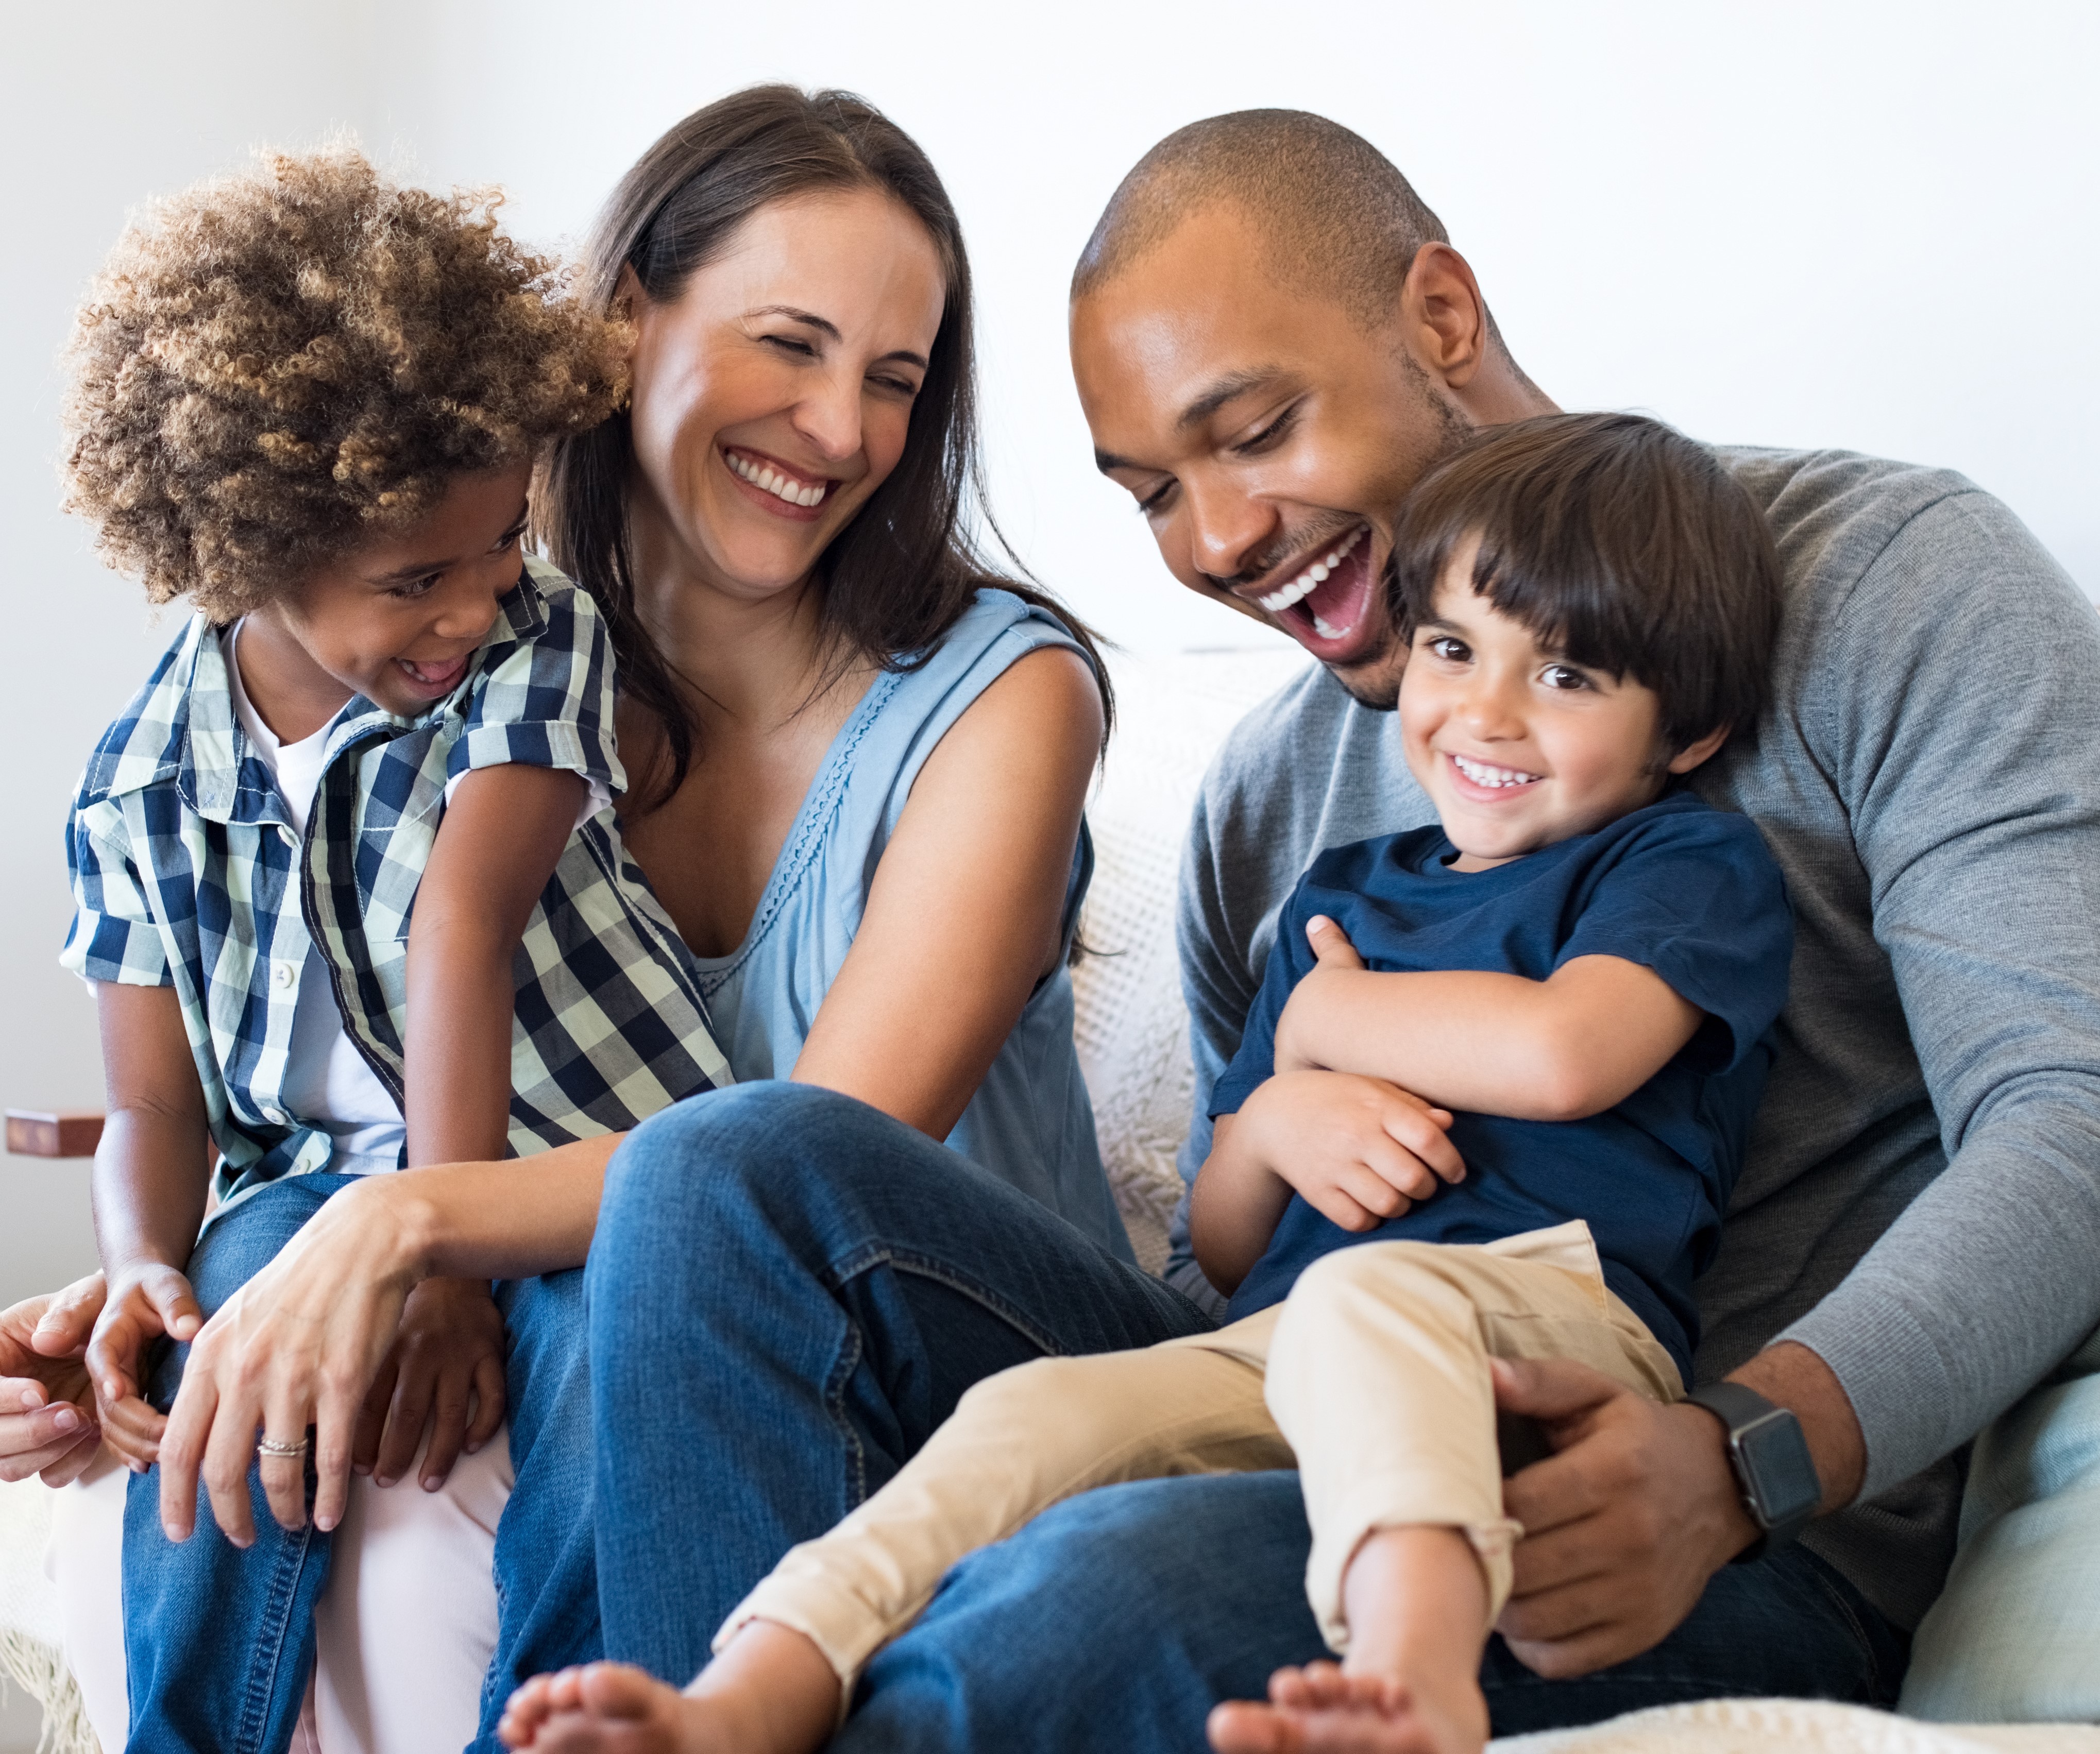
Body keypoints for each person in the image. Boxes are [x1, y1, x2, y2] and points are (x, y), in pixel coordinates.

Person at [501, 106, 2096, 1752]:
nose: (1214, 543)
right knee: (723, 1171)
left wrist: (1742, 1459)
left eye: (1253, 430)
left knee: (1089, 1593)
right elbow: (1231, 1267)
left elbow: (2070, 1120)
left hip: (1680, 1517)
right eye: (1149, 498)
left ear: (1440, 319)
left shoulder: (1890, 587)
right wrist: (1278, 1116)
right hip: (1309, 1397)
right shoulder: (1273, 799)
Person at [1, 86, 1144, 1753]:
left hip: (911, 1363)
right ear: (621, 327)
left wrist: (404, 1223)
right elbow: (321, 1036)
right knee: (297, 1443)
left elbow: (799, 1162)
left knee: (547, 1363)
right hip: (607, 1308)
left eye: (894, 380)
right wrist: (156, 1294)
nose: (839, 428)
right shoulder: (447, 636)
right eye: (790, 346)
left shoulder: (998, 702)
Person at [498, 410, 1796, 1754]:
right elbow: (1227, 1243)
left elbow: (1564, 1053)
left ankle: (1418, 1682)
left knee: (1368, 1294)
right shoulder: (1344, 895)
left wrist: (1332, 1020)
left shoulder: (1677, 867)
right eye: (1453, 648)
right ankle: (748, 1694)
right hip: (1279, 1342)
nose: (1484, 713)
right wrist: (1281, 1105)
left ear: (1687, 731)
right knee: (1035, 1413)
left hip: (1548, 1327)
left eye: (1567, 677)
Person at [51, 147, 729, 1753]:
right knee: (228, 1343)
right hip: (304, 1192)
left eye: (498, 544)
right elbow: (156, 1105)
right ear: (243, 553)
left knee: (599, 1378)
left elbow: (461, 929)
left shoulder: (531, 637)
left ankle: (559, 1727)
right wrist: (148, 1263)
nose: (471, 602)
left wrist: (441, 1249)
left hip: (582, 1158)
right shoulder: (139, 781)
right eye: (414, 578)